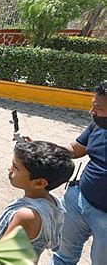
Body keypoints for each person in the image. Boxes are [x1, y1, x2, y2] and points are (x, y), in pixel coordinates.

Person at [51, 82, 107, 265]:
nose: (92, 111)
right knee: (63, 255)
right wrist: (46, 148)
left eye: (98, 108)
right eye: (93, 105)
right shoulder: (97, 126)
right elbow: (76, 149)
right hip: (78, 200)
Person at [0, 141, 74, 260]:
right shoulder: (53, 201)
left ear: (39, 183)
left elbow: (0, 257)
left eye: (15, 167)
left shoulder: (27, 215)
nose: (9, 169)